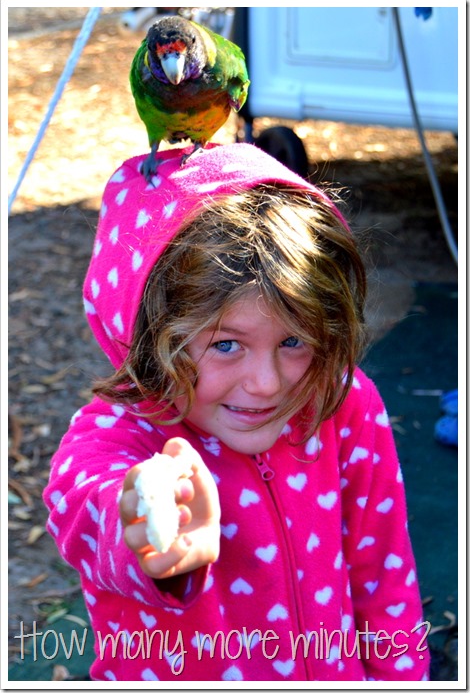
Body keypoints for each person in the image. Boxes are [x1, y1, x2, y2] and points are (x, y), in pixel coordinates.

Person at [44, 142, 430, 682]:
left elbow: (383, 574)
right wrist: (145, 517)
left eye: (295, 339)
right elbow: (84, 504)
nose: (267, 383)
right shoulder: (124, 433)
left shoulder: (340, 401)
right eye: (226, 344)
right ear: (152, 335)